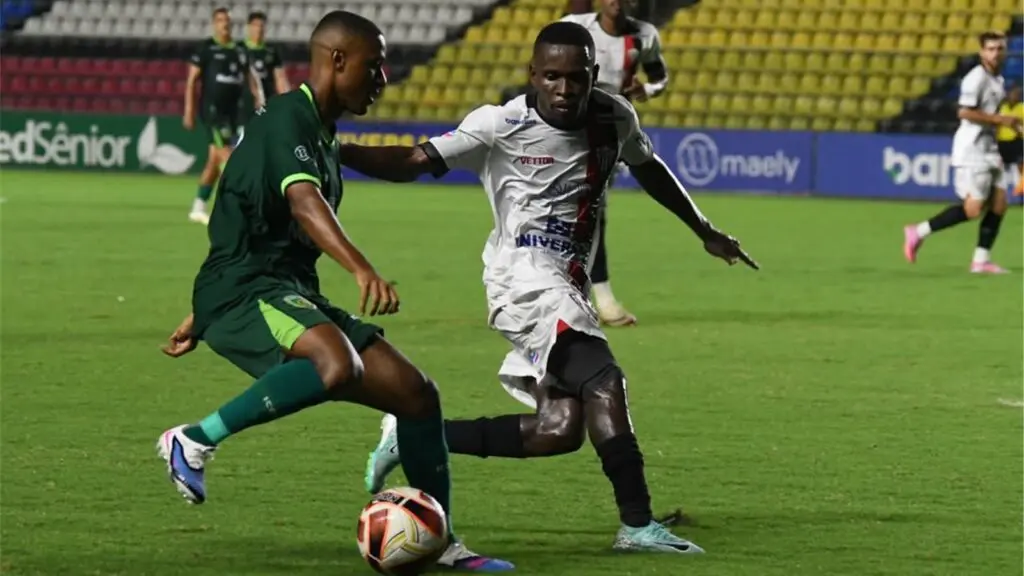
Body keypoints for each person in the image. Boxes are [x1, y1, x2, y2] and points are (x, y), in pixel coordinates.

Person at [338, 21, 756, 553]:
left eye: (576, 78)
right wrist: (342, 152)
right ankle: (637, 524)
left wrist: (705, 230)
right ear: (532, 75)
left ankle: (411, 432)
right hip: (523, 277)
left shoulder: (614, 117)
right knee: (605, 380)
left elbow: (650, 169)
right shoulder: (499, 123)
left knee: (558, 430)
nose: (564, 89)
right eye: (552, 77)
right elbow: (414, 160)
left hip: (568, 282)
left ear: (593, 76)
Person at [157, 11, 512, 571]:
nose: (383, 78)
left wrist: (198, 313)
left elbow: (257, 217)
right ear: (337, 60)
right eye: (374, 66)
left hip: (277, 287)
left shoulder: (320, 131)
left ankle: (439, 539)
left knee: (417, 395)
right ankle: (194, 439)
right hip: (246, 289)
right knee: (335, 363)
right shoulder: (285, 121)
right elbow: (303, 202)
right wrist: (362, 269)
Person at [559, 0, 670, 326]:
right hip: (568, 130)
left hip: (608, 135)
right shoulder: (577, 27)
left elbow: (660, 76)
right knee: (572, 213)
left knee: (591, 213)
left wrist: (646, 89)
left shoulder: (644, 36)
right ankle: (586, 298)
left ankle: (596, 300)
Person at [903, 31, 1021, 273]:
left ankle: (981, 261)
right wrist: (1000, 120)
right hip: (972, 151)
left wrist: (1013, 126)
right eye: (990, 49)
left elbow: (993, 116)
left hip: (989, 148)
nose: (995, 53)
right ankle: (919, 231)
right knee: (973, 210)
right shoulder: (975, 79)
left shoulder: (998, 80)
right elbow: (964, 112)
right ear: (981, 52)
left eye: (999, 48)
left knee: (999, 204)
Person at [184, 6, 263, 225]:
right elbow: (191, 81)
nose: (224, 24)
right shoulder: (205, 49)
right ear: (214, 24)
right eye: (220, 20)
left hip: (233, 113)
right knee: (227, 158)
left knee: (213, 161)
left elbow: (250, 76)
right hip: (212, 112)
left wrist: (258, 98)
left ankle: (198, 207)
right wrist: (189, 111)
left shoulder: (239, 50)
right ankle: (240, 208)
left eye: (227, 20)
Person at [239, 11, 291, 129]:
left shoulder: (271, 52)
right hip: (244, 105)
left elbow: (280, 79)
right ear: (249, 27)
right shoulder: (239, 49)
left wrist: (287, 101)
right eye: (255, 25)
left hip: (267, 103)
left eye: (261, 26)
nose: (259, 29)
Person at [996, 83, 1023, 195]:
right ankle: (999, 192)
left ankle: (1021, 191)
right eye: (1013, 93)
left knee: (1020, 165)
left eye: (1018, 94)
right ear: (1008, 94)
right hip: (1002, 142)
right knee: (998, 167)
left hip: (1017, 141)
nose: (1015, 96)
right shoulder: (1002, 107)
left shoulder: (1022, 107)